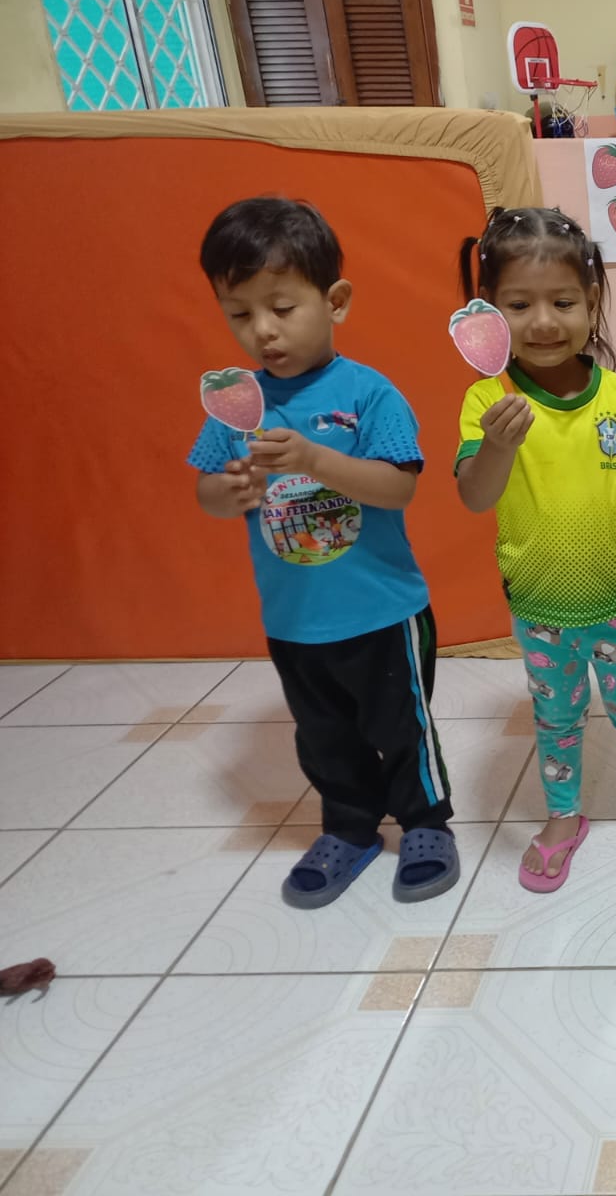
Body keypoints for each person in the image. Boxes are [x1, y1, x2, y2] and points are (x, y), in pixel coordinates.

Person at [189, 197, 457, 908]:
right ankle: (349, 827)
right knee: (324, 736)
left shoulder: (369, 394)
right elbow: (206, 492)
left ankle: (426, 823)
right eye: (239, 313)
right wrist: (229, 490)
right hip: (294, 619)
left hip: (384, 612)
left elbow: (397, 487)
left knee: (401, 728)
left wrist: (313, 458)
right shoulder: (236, 401)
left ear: (335, 301)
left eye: (281, 307)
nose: (263, 330)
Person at [455, 207, 616, 891]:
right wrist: (498, 444)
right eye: (519, 304)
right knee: (556, 719)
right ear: (489, 312)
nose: (543, 321)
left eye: (563, 302)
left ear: (592, 302)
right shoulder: (487, 401)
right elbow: (475, 495)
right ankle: (563, 815)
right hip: (539, 610)